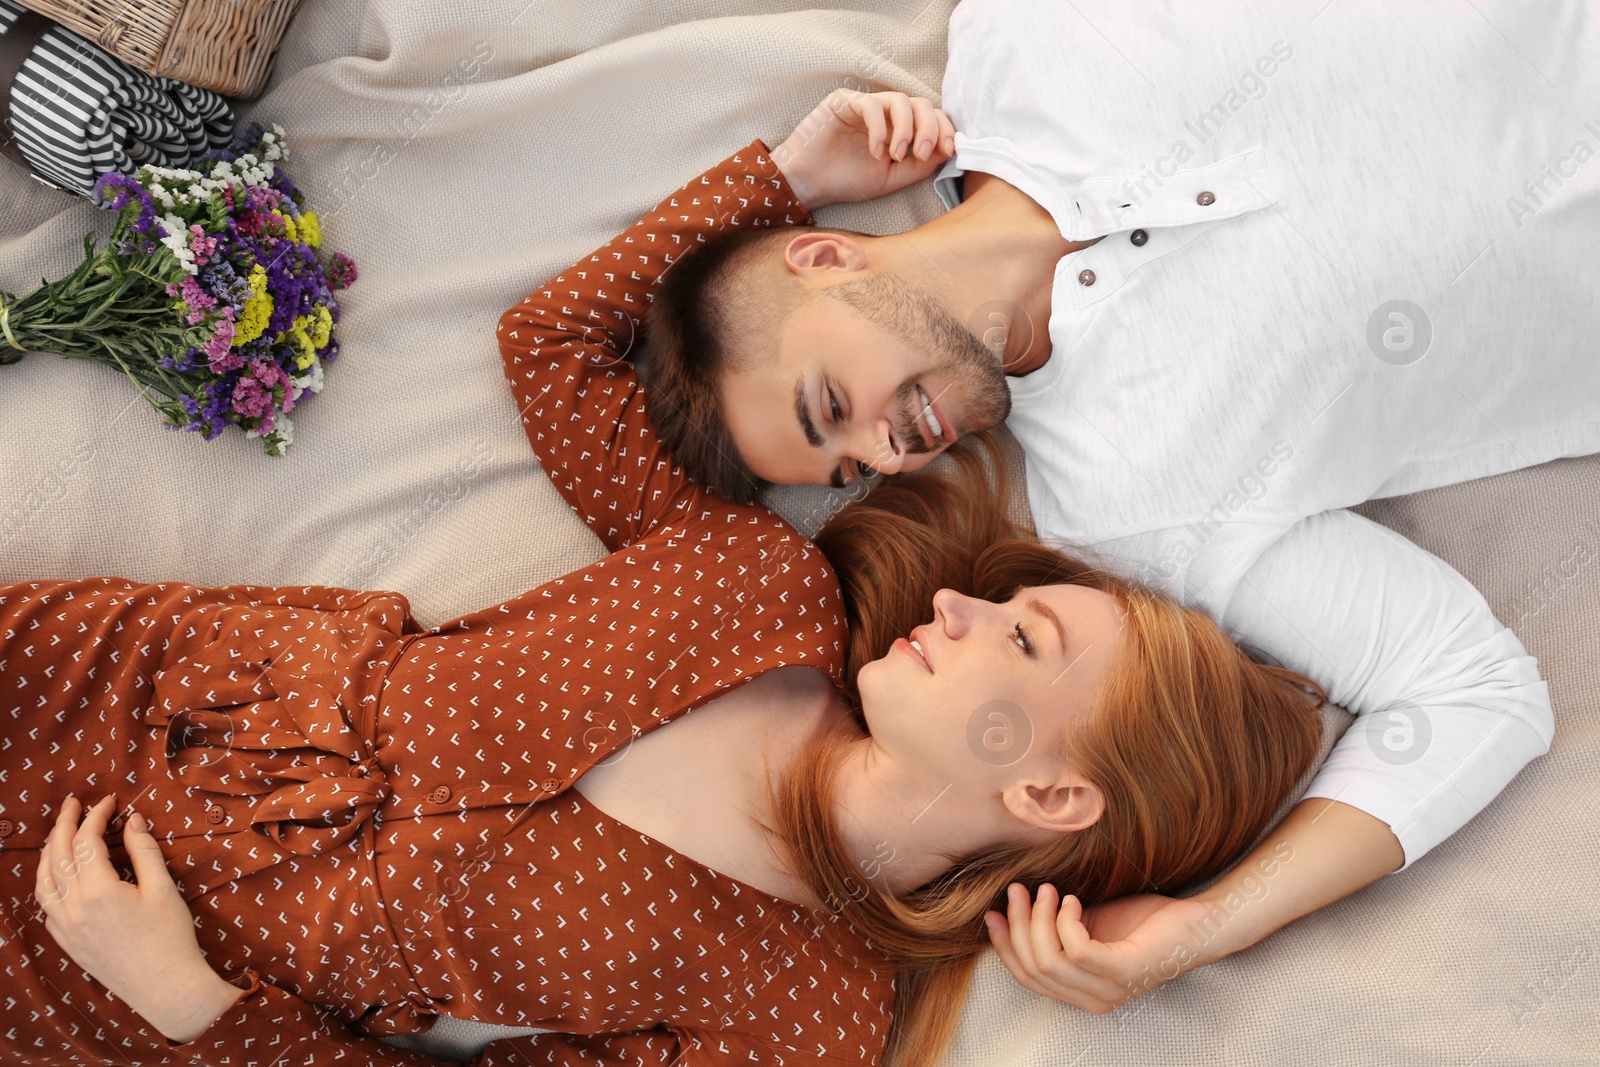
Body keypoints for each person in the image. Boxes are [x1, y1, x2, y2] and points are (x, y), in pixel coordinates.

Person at [6, 114, 1327, 1067]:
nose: (962, 610)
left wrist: (194, 1009)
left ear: (1048, 792)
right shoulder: (764, 583)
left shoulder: (804, 1020)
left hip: (100, 982)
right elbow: (555, 345)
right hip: (99, 679)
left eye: (1022, 635)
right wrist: (785, 179)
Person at [639, 4, 1594, 1009]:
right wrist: (1204, 925)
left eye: (832, 402)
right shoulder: (1127, 506)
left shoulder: (1025, 40)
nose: (888, 450)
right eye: (844, 464)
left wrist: (781, 180)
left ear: (826, 257)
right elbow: (1475, 695)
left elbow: (550, 343)